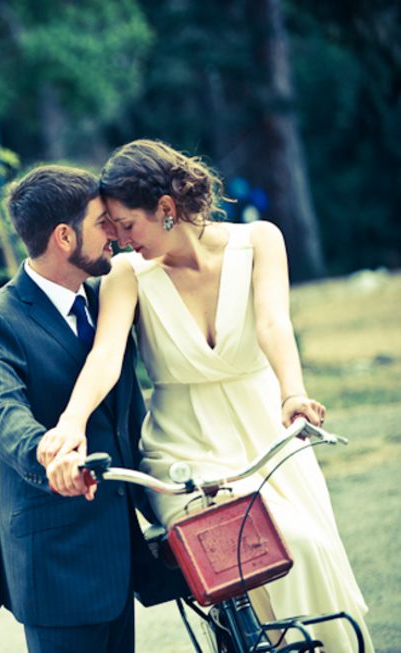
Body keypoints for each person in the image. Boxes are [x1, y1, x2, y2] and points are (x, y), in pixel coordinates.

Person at [39, 139, 373, 652]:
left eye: (127, 225)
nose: (121, 242)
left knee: (307, 548)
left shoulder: (259, 240)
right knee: (247, 556)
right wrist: (71, 423)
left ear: (167, 209)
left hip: (268, 434)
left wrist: (293, 393)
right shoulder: (129, 274)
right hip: (183, 449)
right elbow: (105, 356)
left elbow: (272, 323)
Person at [0, 165, 183, 653]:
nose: (115, 233)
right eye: (102, 221)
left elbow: (127, 418)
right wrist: (50, 452)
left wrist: (170, 504)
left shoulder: (108, 300)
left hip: (119, 554)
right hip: (56, 562)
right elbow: (1, 416)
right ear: (64, 237)